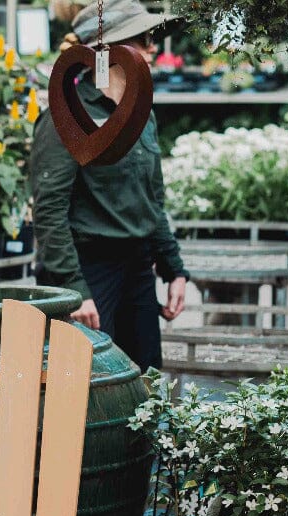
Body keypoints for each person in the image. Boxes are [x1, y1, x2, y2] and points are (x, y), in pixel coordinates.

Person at [30, 0, 187, 371]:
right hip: (90, 270)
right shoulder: (66, 114)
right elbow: (49, 212)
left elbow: (152, 200)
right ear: (108, 51)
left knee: (145, 382)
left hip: (138, 267)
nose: (153, 48)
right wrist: (75, 292)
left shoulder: (141, 113)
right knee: (91, 387)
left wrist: (174, 268)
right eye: (143, 38)